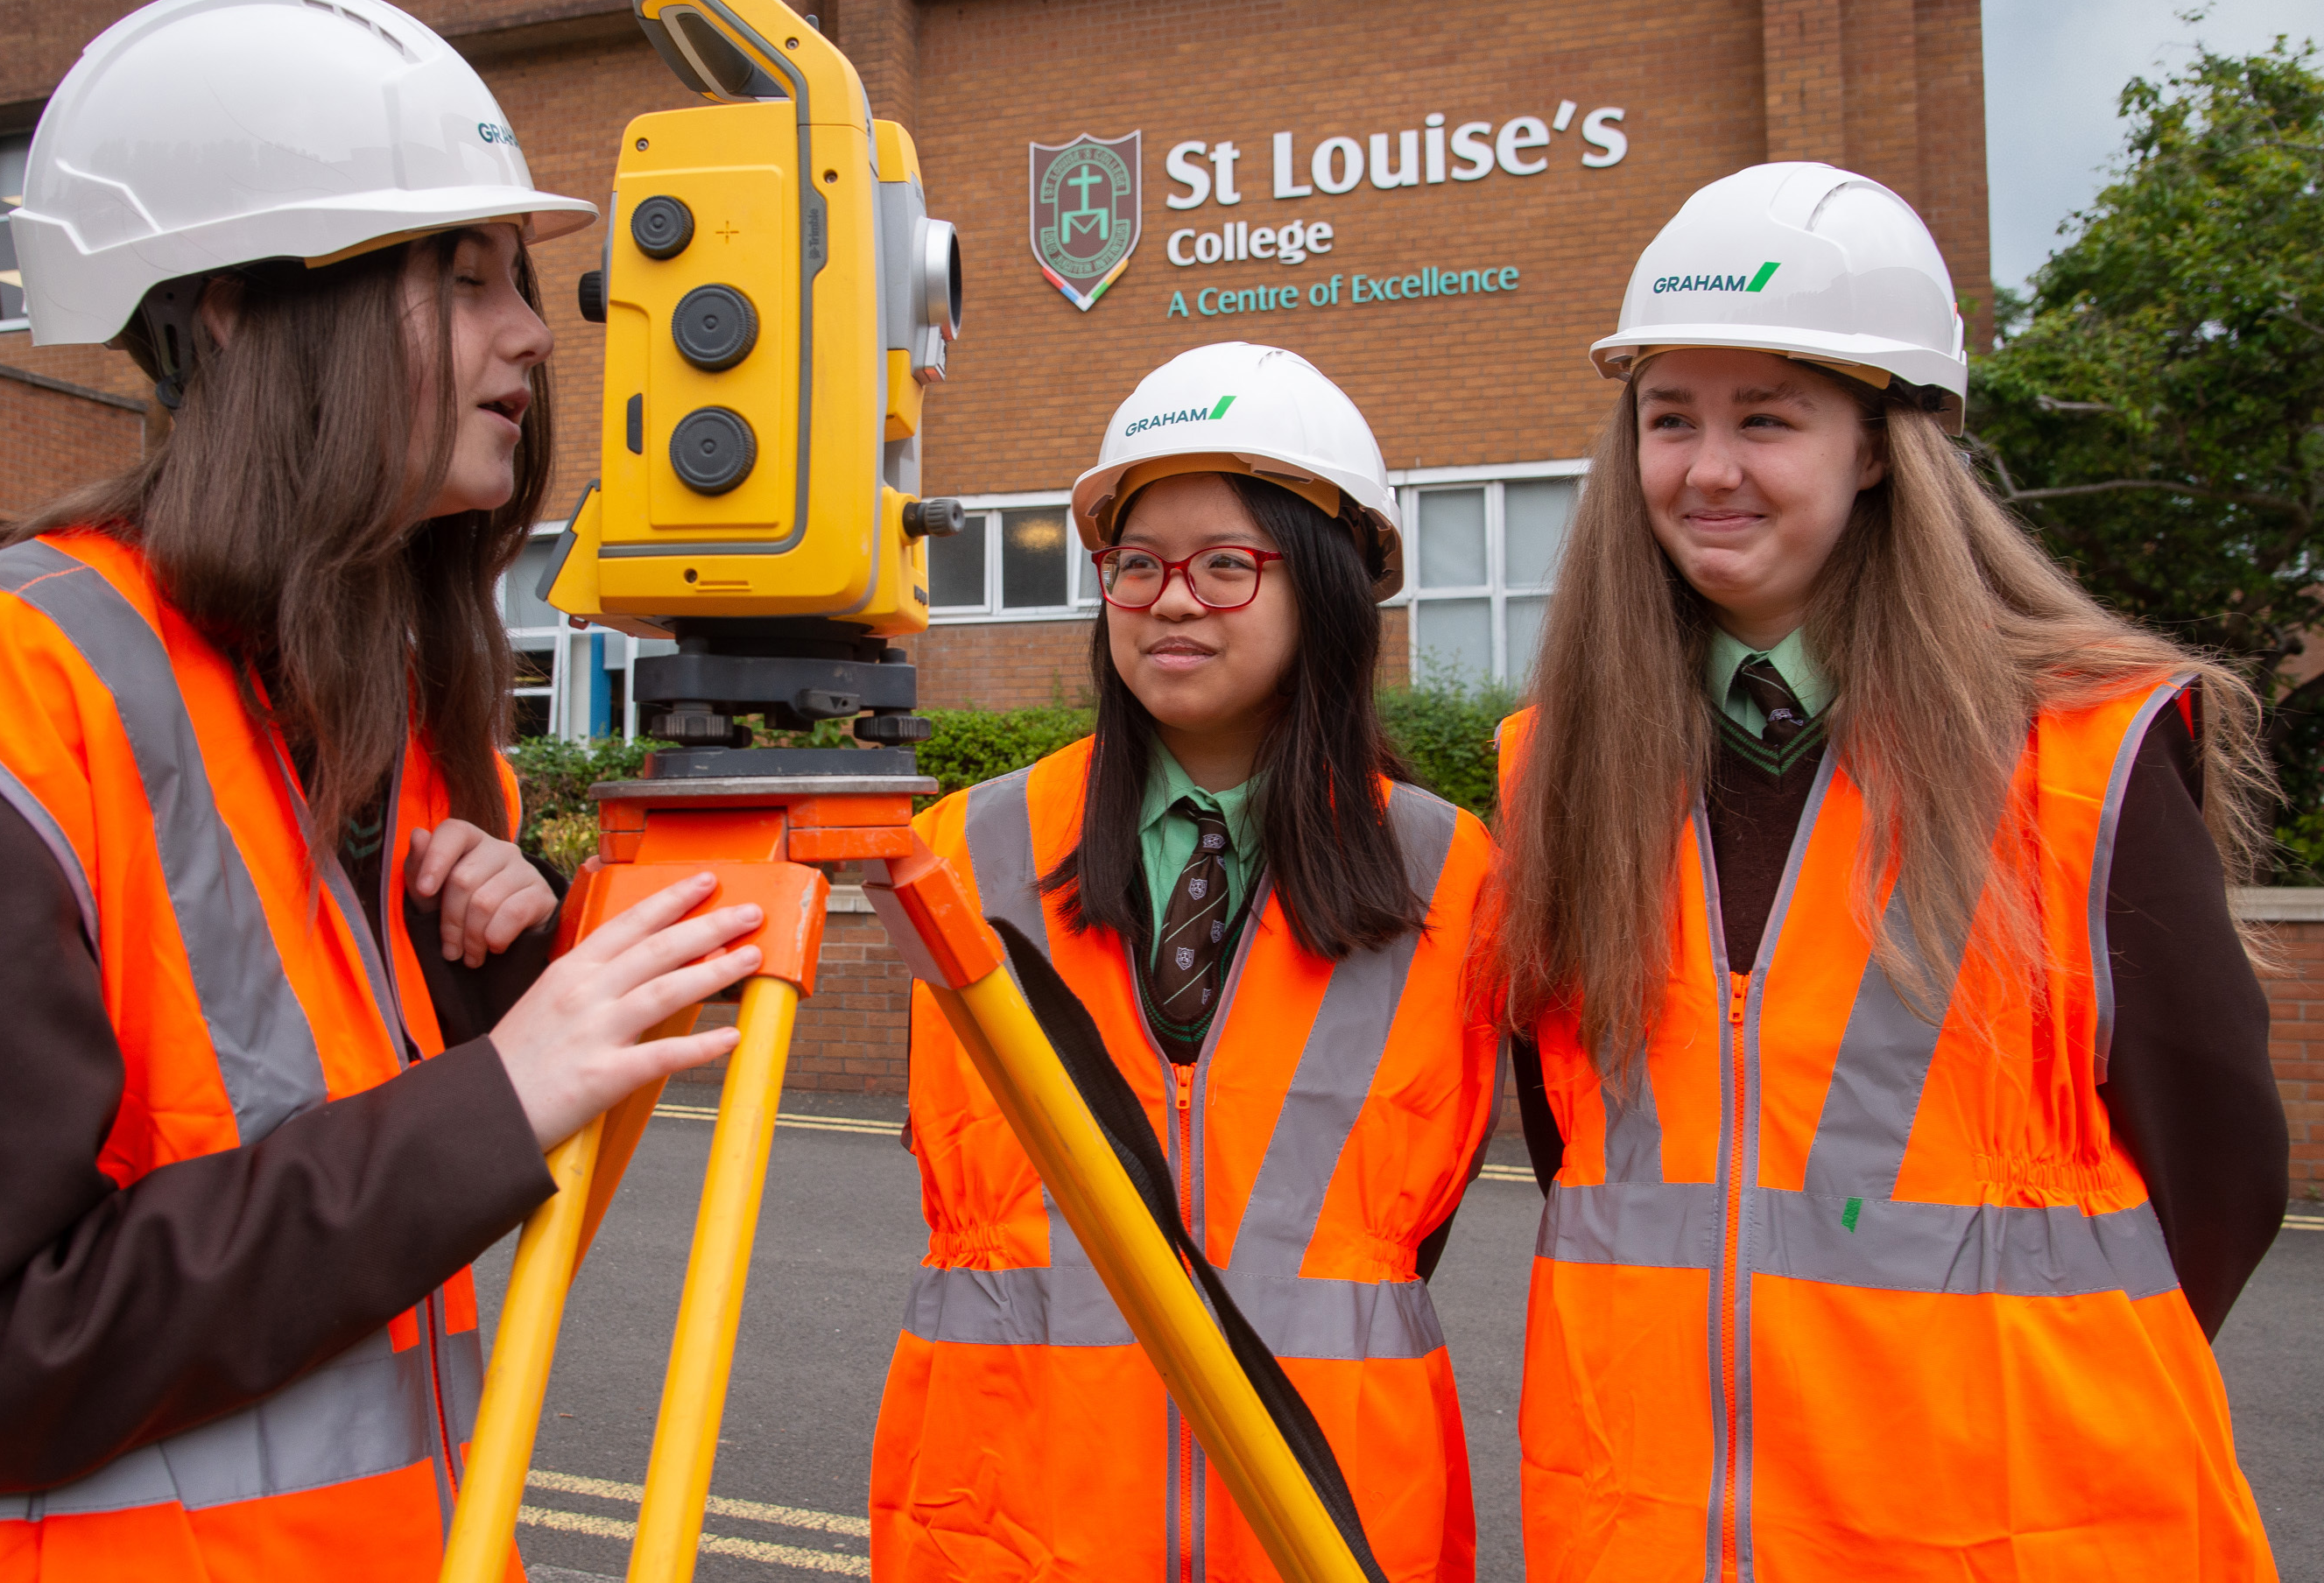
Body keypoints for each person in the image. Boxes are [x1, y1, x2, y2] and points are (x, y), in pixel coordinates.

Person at [0, 0, 759, 1579]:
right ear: (238, 309)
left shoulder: (376, 711)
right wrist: (494, 1093)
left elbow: (373, 1251)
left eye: (518, 282)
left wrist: (491, 1003)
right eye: (464, 277)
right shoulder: (5, 700)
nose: (536, 331)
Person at [1490, 161, 2285, 1579]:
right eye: (1669, 417)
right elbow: (1586, 1155)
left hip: (2005, 1537)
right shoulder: (1557, 764)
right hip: (1650, 1532)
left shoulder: (2077, 748)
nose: (1706, 467)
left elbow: (2218, 1167)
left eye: (1768, 419)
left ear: (1876, 446)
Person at [869, 342, 1504, 1581]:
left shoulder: (1452, 876)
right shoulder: (963, 853)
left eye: (1226, 565)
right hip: (1014, 1533)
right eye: (1138, 563)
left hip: (1323, 1529)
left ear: (1323, 588)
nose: (1169, 599)